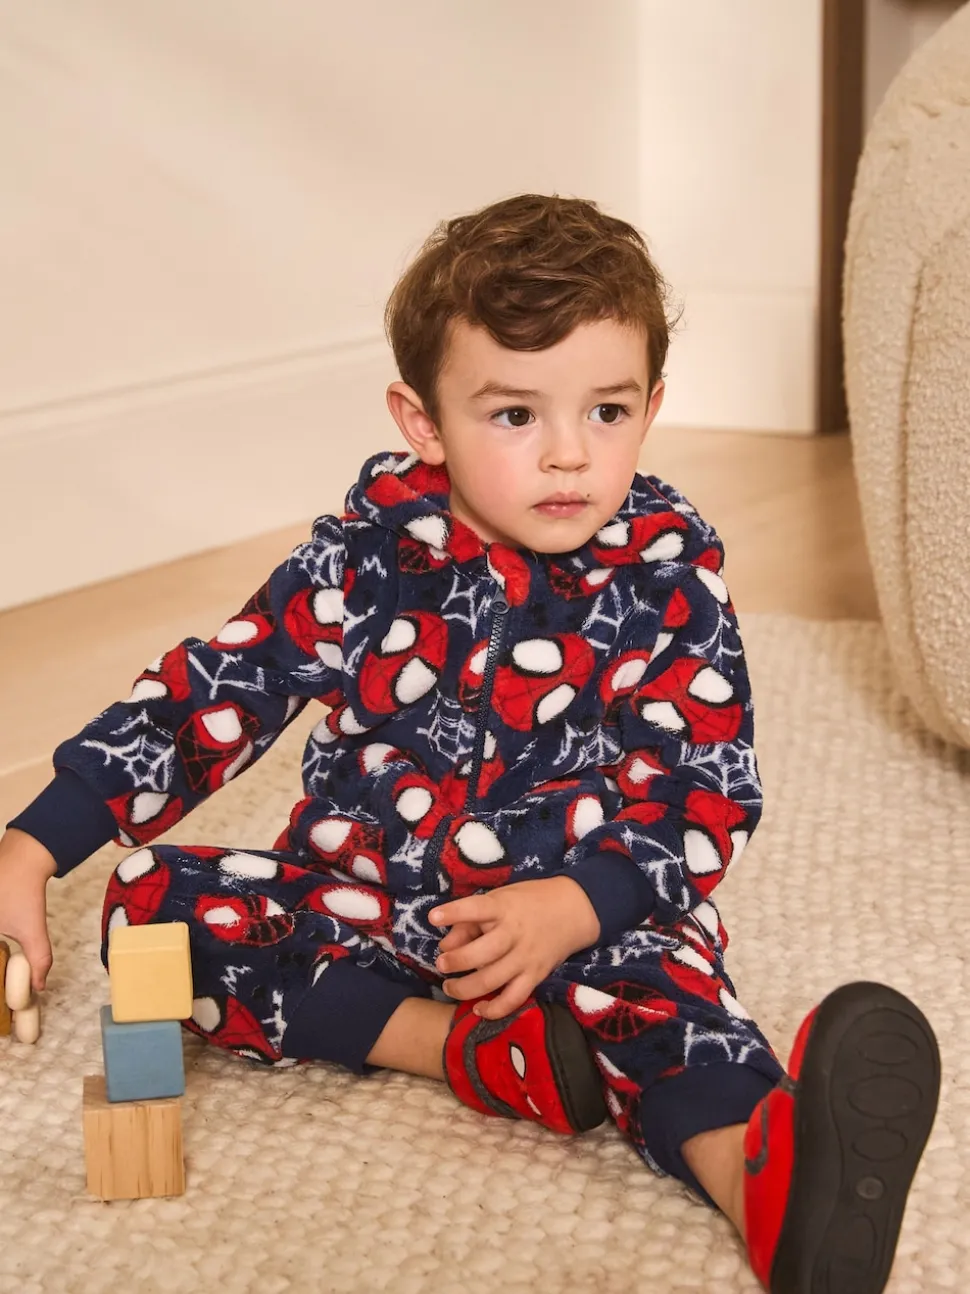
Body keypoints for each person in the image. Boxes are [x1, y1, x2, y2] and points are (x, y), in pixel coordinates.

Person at [0, 193, 939, 1292]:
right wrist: (33, 845)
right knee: (154, 906)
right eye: (514, 416)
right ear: (425, 423)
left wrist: (579, 904)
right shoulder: (361, 563)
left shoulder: (669, 582)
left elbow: (703, 791)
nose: (568, 455)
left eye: (606, 411)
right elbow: (215, 692)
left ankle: (759, 1181)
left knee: (665, 994)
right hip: (370, 907)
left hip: (579, 920)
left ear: (653, 406)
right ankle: (461, 1050)